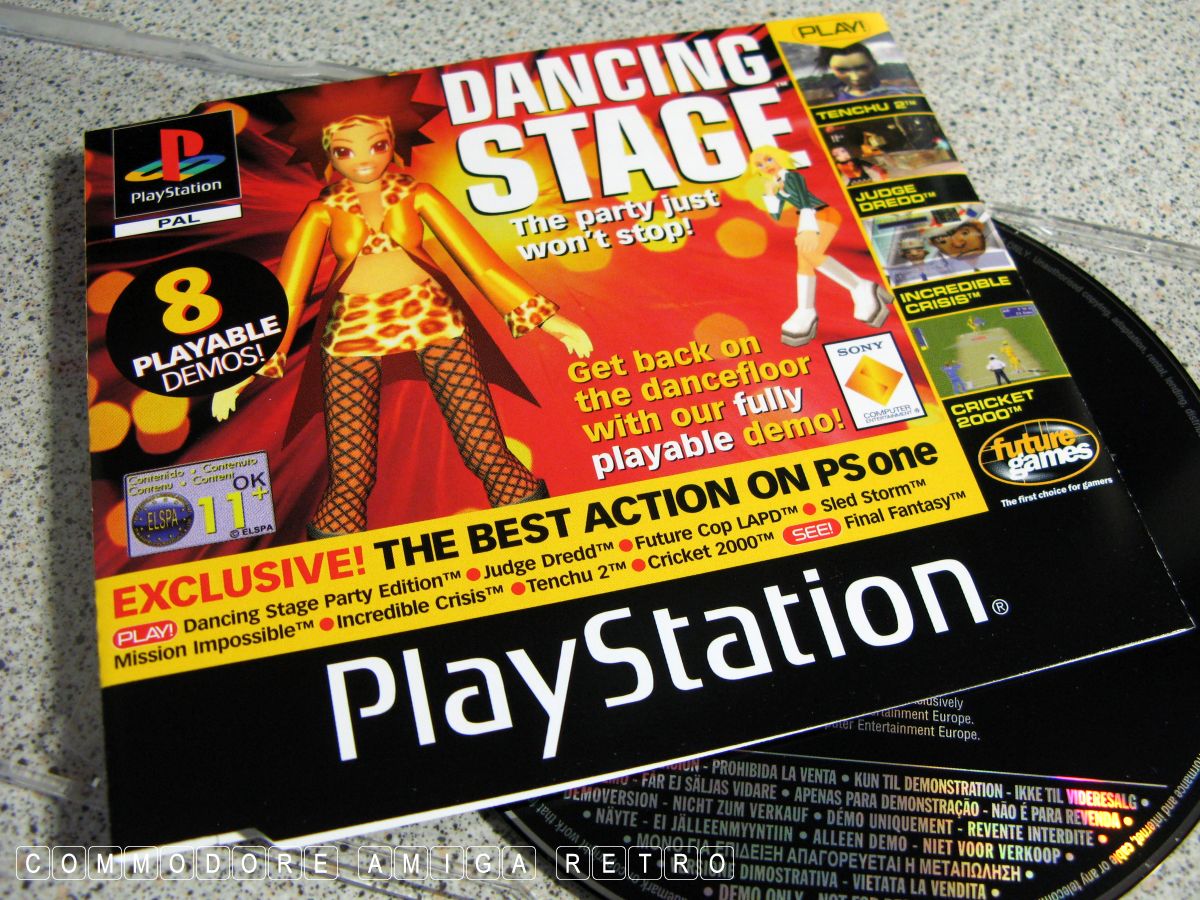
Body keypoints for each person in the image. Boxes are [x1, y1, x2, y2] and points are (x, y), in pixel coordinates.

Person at [211, 79, 592, 538]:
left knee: (486, 450)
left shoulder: (419, 195)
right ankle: (338, 558)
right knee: (350, 472)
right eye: (345, 150)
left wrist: (548, 319)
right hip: (353, 330)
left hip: (432, 317)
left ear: (394, 141)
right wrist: (248, 367)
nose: (364, 159)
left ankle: (540, 535)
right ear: (327, 152)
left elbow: (481, 264)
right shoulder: (322, 211)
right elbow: (288, 296)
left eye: (376, 144)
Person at [748, 146, 891, 346]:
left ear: (780, 157)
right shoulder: (777, 183)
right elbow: (776, 215)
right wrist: (770, 194)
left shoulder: (792, 177)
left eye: (769, 159)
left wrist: (808, 228)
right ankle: (805, 309)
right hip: (807, 218)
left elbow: (804, 201)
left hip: (822, 214)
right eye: (760, 164)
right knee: (804, 261)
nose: (766, 166)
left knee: (810, 254)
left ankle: (860, 286)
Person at [817, 43, 917, 101]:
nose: (855, 77)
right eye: (842, 70)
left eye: (862, 68)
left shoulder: (901, 94)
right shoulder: (835, 105)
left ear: (873, 64)